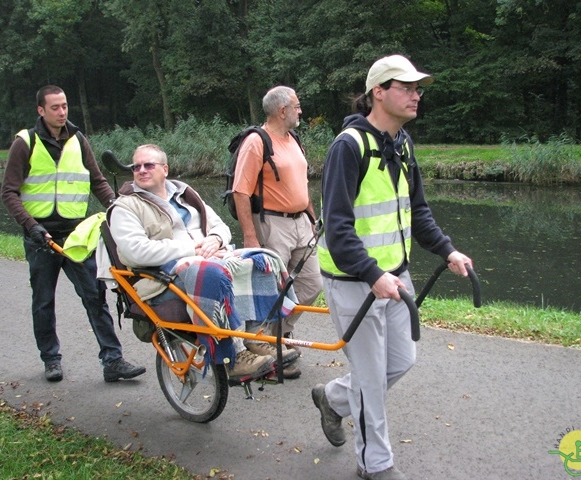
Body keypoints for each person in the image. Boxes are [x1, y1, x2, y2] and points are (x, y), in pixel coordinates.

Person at [313, 55, 474, 480]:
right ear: (378, 92)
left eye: (419, 88)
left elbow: (416, 210)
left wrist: (447, 250)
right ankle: (376, 464)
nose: (416, 95)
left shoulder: (401, 143)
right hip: (354, 281)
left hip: (394, 277)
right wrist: (370, 273)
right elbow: (338, 227)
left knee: (400, 361)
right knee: (370, 380)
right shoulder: (349, 146)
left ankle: (332, 398)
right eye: (406, 87)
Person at [0, 85, 146, 383]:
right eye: (55, 107)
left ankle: (113, 361)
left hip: (77, 236)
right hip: (41, 238)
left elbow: (98, 181)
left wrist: (120, 210)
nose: (62, 112)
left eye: (65, 106)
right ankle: (51, 360)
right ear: (41, 110)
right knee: (43, 301)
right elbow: (9, 192)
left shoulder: (78, 140)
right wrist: (31, 226)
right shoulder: (25, 143)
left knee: (95, 296)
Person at [108, 144, 279, 379]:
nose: (141, 170)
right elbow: (137, 252)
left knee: (262, 260)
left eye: (149, 165)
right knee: (212, 275)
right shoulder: (125, 206)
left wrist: (216, 240)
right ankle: (234, 355)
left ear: (165, 169)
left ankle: (254, 336)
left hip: (206, 258)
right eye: (136, 166)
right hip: (162, 277)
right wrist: (193, 250)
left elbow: (220, 226)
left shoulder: (184, 193)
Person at [232, 85, 322, 378]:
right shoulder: (257, 142)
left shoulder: (293, 139)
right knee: (269, 290)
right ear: (282, 111)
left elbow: (301, 183)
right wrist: (249, 236)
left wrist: (312, 216)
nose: (300, 111)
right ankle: (260, 346)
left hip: (301, 223)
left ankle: (278, 337)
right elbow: (240, 192)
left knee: (311, 284)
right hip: (272, 223)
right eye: (297, 106)